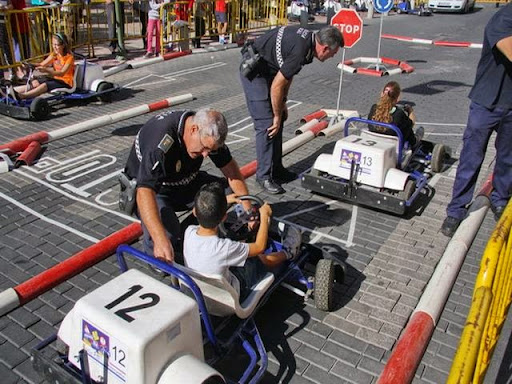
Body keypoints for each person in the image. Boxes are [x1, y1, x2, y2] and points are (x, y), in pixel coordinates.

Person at [123, 108, 253, 264]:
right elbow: (144, 192)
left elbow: (231, 171)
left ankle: (190, 232)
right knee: (168, 237)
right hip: (154, 191)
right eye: (204, 148)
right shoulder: (161, 143)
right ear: (193, 130)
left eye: (210, 150)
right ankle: (156, 254)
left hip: (183, 182)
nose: (206, 155)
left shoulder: (209, 133)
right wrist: (160, 239)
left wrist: (248, 210)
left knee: (225, 193)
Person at [240, 25, 343, 194]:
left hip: (270, 70)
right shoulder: (301, 50)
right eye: (333, 53)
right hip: (255, 71)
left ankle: (277, 168)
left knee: (279, 117)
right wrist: (276, 115)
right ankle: (264, 176)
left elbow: (287, 76)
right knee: (267, 123)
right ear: (324, 48)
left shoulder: (308, 42)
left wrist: (282, 104)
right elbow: (277, 85)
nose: (332, 57)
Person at [441, 3, 512, 237]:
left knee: (507, 158)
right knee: (471, 158)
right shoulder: (502, 19)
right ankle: (456, 210)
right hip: (486, 102)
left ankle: (500, 199)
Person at [183, 182, 302, 301]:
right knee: (258, 259)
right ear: (224, 217)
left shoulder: (189, 232)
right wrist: (264, 217)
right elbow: (259, 246)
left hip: (199, 292)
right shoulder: (225, 248)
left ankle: (248, 238)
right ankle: (289, 252)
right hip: (231, 296)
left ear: (194, 212)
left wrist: (224, 201)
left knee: (230, 240)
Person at [10, 33, 74, 100]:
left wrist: (47, 70)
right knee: (36, 82)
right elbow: (42, 64)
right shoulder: (54, 55)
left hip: (66, 82)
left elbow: (62, 73)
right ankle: (10, 92)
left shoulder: (69, 58)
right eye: (53, 44)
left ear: (63, 45)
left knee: (44, 85)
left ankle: (22, 96)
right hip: (56, 80)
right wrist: (30, 64)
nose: (54, 47)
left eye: (56, 45)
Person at [368, 81, 422, 148]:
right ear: (398, 98)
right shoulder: (399, 114)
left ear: (382, 94)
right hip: (393, 147)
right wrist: (410, 111)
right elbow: (411, 123)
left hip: (374, 141)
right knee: (414, 129)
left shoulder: (374, 108)